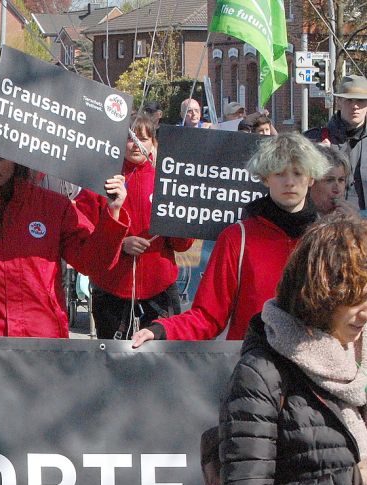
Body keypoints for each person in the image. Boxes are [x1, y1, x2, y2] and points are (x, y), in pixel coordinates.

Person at [219, 215, 367, 485]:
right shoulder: (261, 374)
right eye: (354, 301)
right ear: (322, 294)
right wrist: (354, 482)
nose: (365, 313)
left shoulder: (361, 357)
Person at [0, 132, 130, 337]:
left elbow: (93, 263)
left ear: (18, 158)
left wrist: (113, 212)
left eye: (0, 156)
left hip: (40, 334)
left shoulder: (53, 206)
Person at [132, 133, 329, 346]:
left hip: (313, 366)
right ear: (265, 177)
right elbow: (208, 316)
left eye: (298, 173)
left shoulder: (330, 240)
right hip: (254, 365)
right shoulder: (237, 238)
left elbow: (345, 315)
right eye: (280, 173)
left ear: (311, 178)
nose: (289, 182)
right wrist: (163, 329)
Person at [75, 116, 195, 339]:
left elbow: (182, 245)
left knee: (161, 362)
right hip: (112, 288)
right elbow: (83, 232)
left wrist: (179, 222)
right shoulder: (102, 179)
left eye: (143, 138)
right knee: (113, 363)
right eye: (130, 139)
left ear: (153, 144)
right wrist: (120, 244)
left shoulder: (168, 180)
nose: (136, 145)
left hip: (160, 288)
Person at [305, 74, 367, 209]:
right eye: (349, 100)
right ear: (338, 101)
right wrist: (314, 158)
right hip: (325, 223)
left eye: (360, 101)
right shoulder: (313, 140)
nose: (355, 106)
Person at [310, 146, 358, 216]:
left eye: (341, 180)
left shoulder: (351, 217)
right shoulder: (297, 219)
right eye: (329, 180)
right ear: (311, 182)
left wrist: (355, 224)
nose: (337, 189)